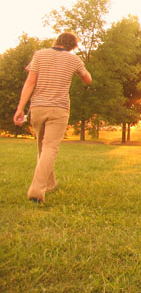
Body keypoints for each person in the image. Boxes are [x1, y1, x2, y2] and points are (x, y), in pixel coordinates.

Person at [13, 32, 92, 203]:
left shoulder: (39, 55)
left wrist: (20, 109)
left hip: (37, 108)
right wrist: (77, 71)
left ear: (57, 41)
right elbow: (88, 80)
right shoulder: (73, 59)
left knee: (42, 148)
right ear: (73, 46)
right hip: (58, 109)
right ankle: (36, 191)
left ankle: (50, 183)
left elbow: (30, 82)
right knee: (49, 148)